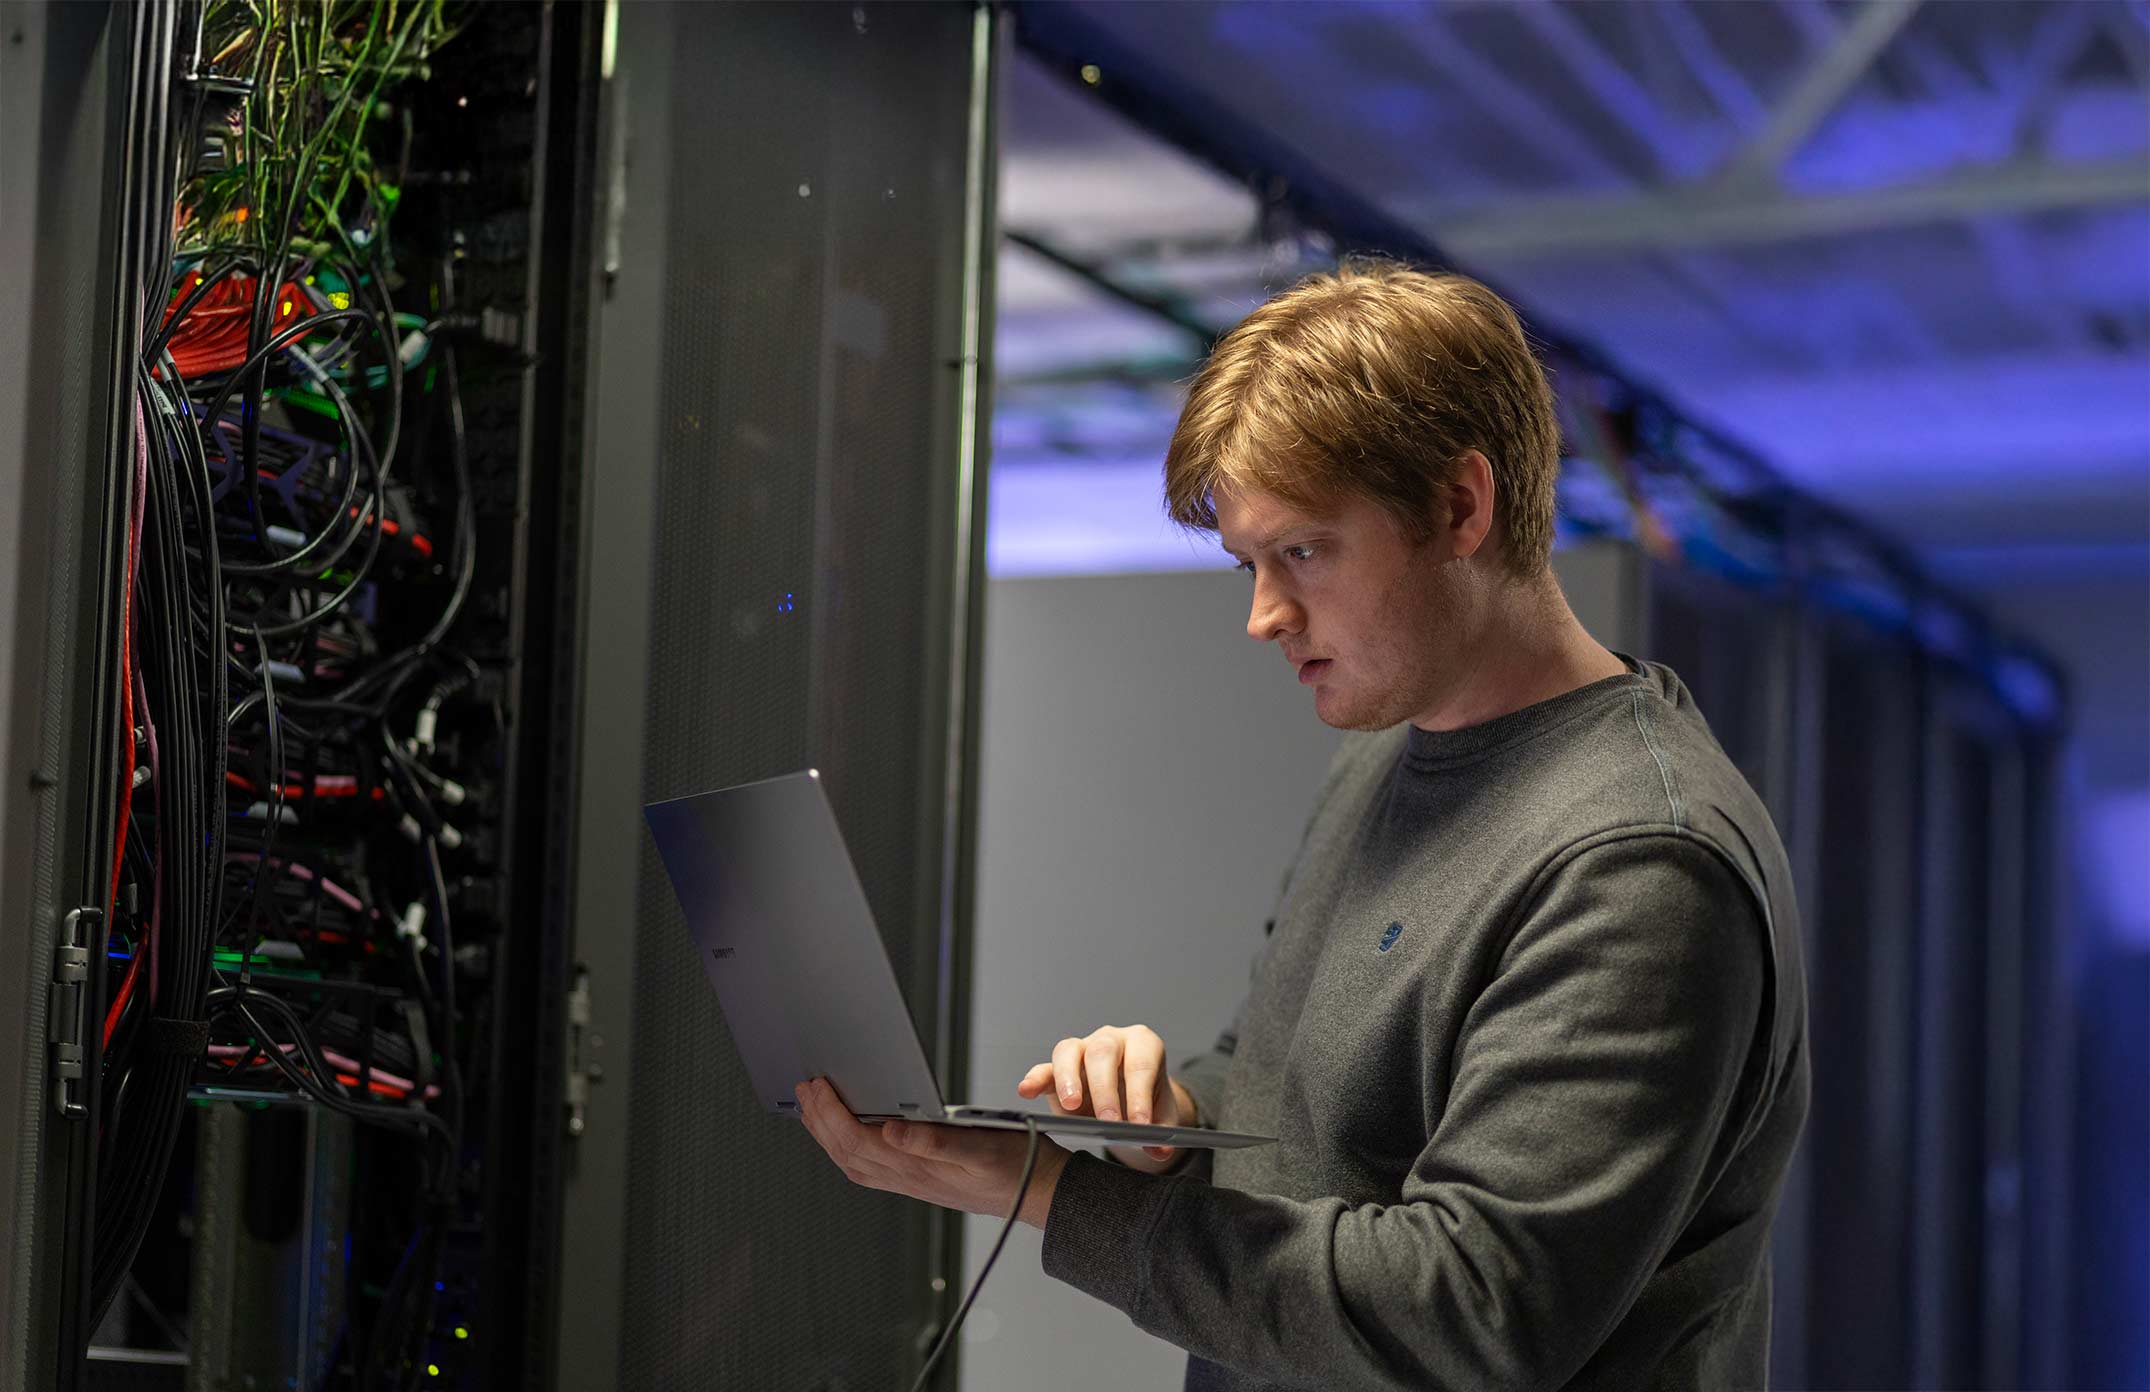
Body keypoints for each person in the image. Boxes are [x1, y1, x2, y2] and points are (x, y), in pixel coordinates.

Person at [793, 260, 1810, 1391]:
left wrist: (1043, 1189)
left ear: (1459, 507)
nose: (1263, 615)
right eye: (1247, 562)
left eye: (1302, 553)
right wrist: (1173, 1115)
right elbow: (1280, 1088)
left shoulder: (1636, 860)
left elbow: (1473, 1315)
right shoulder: (1387, 754)